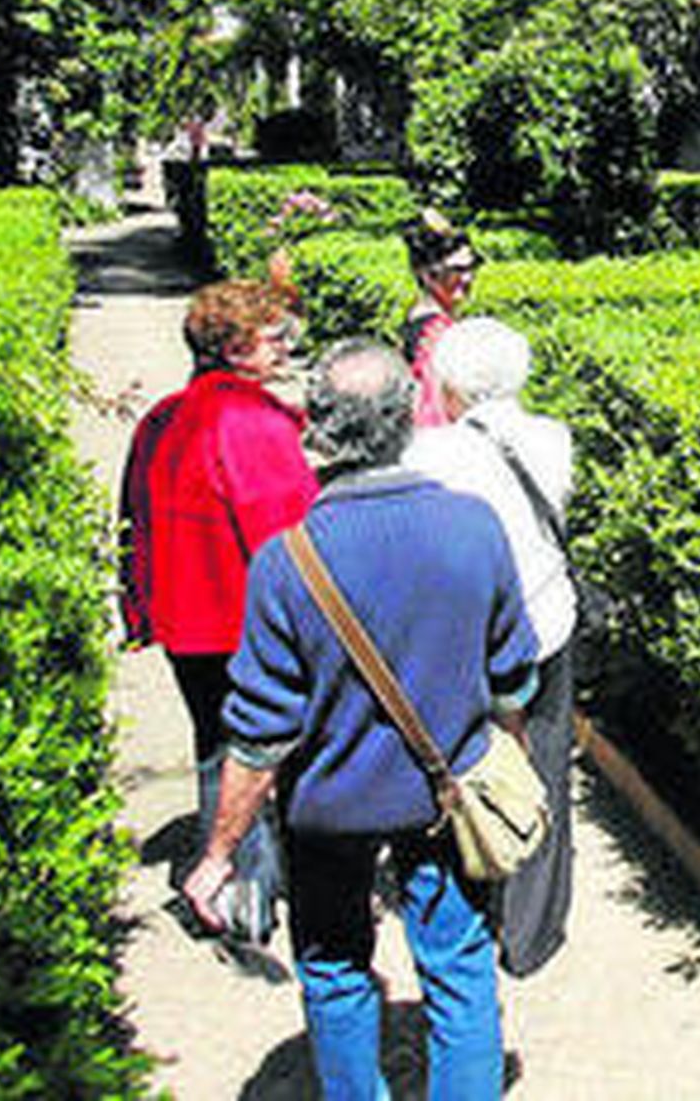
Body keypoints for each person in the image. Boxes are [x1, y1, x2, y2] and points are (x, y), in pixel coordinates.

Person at [183, 339, 538, 1099]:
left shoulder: (286, 559)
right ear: (408, 418)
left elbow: (260, 734)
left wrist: (218, 853)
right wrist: (509, 761)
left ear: (316, 427)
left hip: (328, 809)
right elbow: (512, 676)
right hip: (446, 796)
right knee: (460, 967)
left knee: (335, 966)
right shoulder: (473, 526)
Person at [119, 275, 319, 938]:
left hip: (183, 622)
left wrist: (138, 611)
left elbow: (133, 520)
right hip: (246, 622)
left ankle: (228, 896)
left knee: (214, 744)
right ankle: (249, 895)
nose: (285, 347)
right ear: (234, 349)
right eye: (273, 337)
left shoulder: (162, 417)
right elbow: (286, 538)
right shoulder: (254, 424)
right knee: (263, 752)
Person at [403, 317, 577, 979]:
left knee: (463, 763)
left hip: (465, 637)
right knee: (545, 764)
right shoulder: (553, 438)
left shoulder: (427, 454)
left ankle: (474, 893)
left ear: (447, 383)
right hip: (546, 621)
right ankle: (533, 931)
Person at [401, 208, 481, 427]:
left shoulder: (420, 315)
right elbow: (432, 409)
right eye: (456, 270)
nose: (467, 278)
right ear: (427, 274)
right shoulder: (436, 334)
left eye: (472, 267)